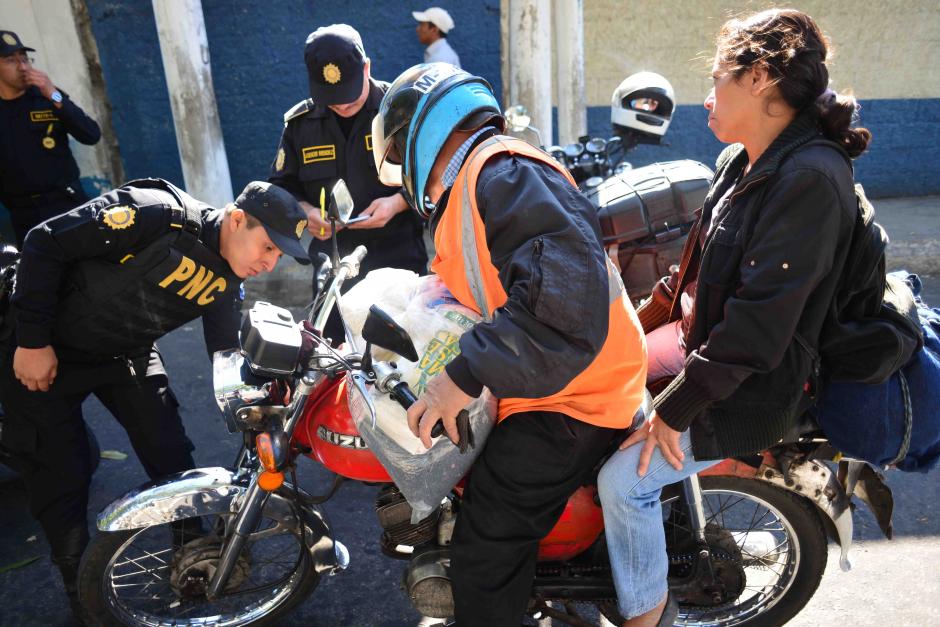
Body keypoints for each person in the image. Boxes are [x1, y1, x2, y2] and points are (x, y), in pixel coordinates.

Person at [596, 9, 871, 626]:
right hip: (702, 352)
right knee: (579, 400)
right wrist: (618, 334)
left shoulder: (810, 179)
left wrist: (676, 406)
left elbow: (758, 330)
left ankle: (643, 615)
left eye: (719, 76)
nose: (706, 94)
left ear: (762, 79)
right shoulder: (742, 162)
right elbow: (686, 276)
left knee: (625, 481)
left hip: (753, 386)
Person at [372, 62, 648, 626]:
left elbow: (560, 306)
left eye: (402, 156)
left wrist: (463, 374)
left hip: (579, 397)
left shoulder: (503, 174)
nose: (407, 175)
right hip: (551, 379)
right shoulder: (482, 179)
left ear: (423, 132)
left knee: (487, 542)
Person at [0, 178, 307, 623]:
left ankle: (193, 555)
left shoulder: (229, 270)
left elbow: (223, 351)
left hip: (124, 350)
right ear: (237, 219)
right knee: (60, 471)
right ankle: (81, 591)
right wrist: (31, 342)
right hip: (45, 346)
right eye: (267, 247)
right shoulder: (156, 213)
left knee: (169, 450)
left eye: (279, 255)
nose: (270, 262)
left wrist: (258, 405)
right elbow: (44, 241)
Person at [269, 24, 427, 343]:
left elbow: (433, 175)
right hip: (334, 262)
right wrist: (307, 211)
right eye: (332, 97)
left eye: (349, 94)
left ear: (367, 66)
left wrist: (397, 203)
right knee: (333, 356)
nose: (341, 105)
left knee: (406, 355)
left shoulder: (402, 111)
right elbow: (281, 187)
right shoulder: (300, 125)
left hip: (398, 257)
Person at [0, 30, 101, 247]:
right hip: (23, 216)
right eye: (11, 60)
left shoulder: (47, 97)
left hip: (66, 205)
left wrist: (52, 93)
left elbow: (90, 134)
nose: (23, 66)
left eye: (25, 58)